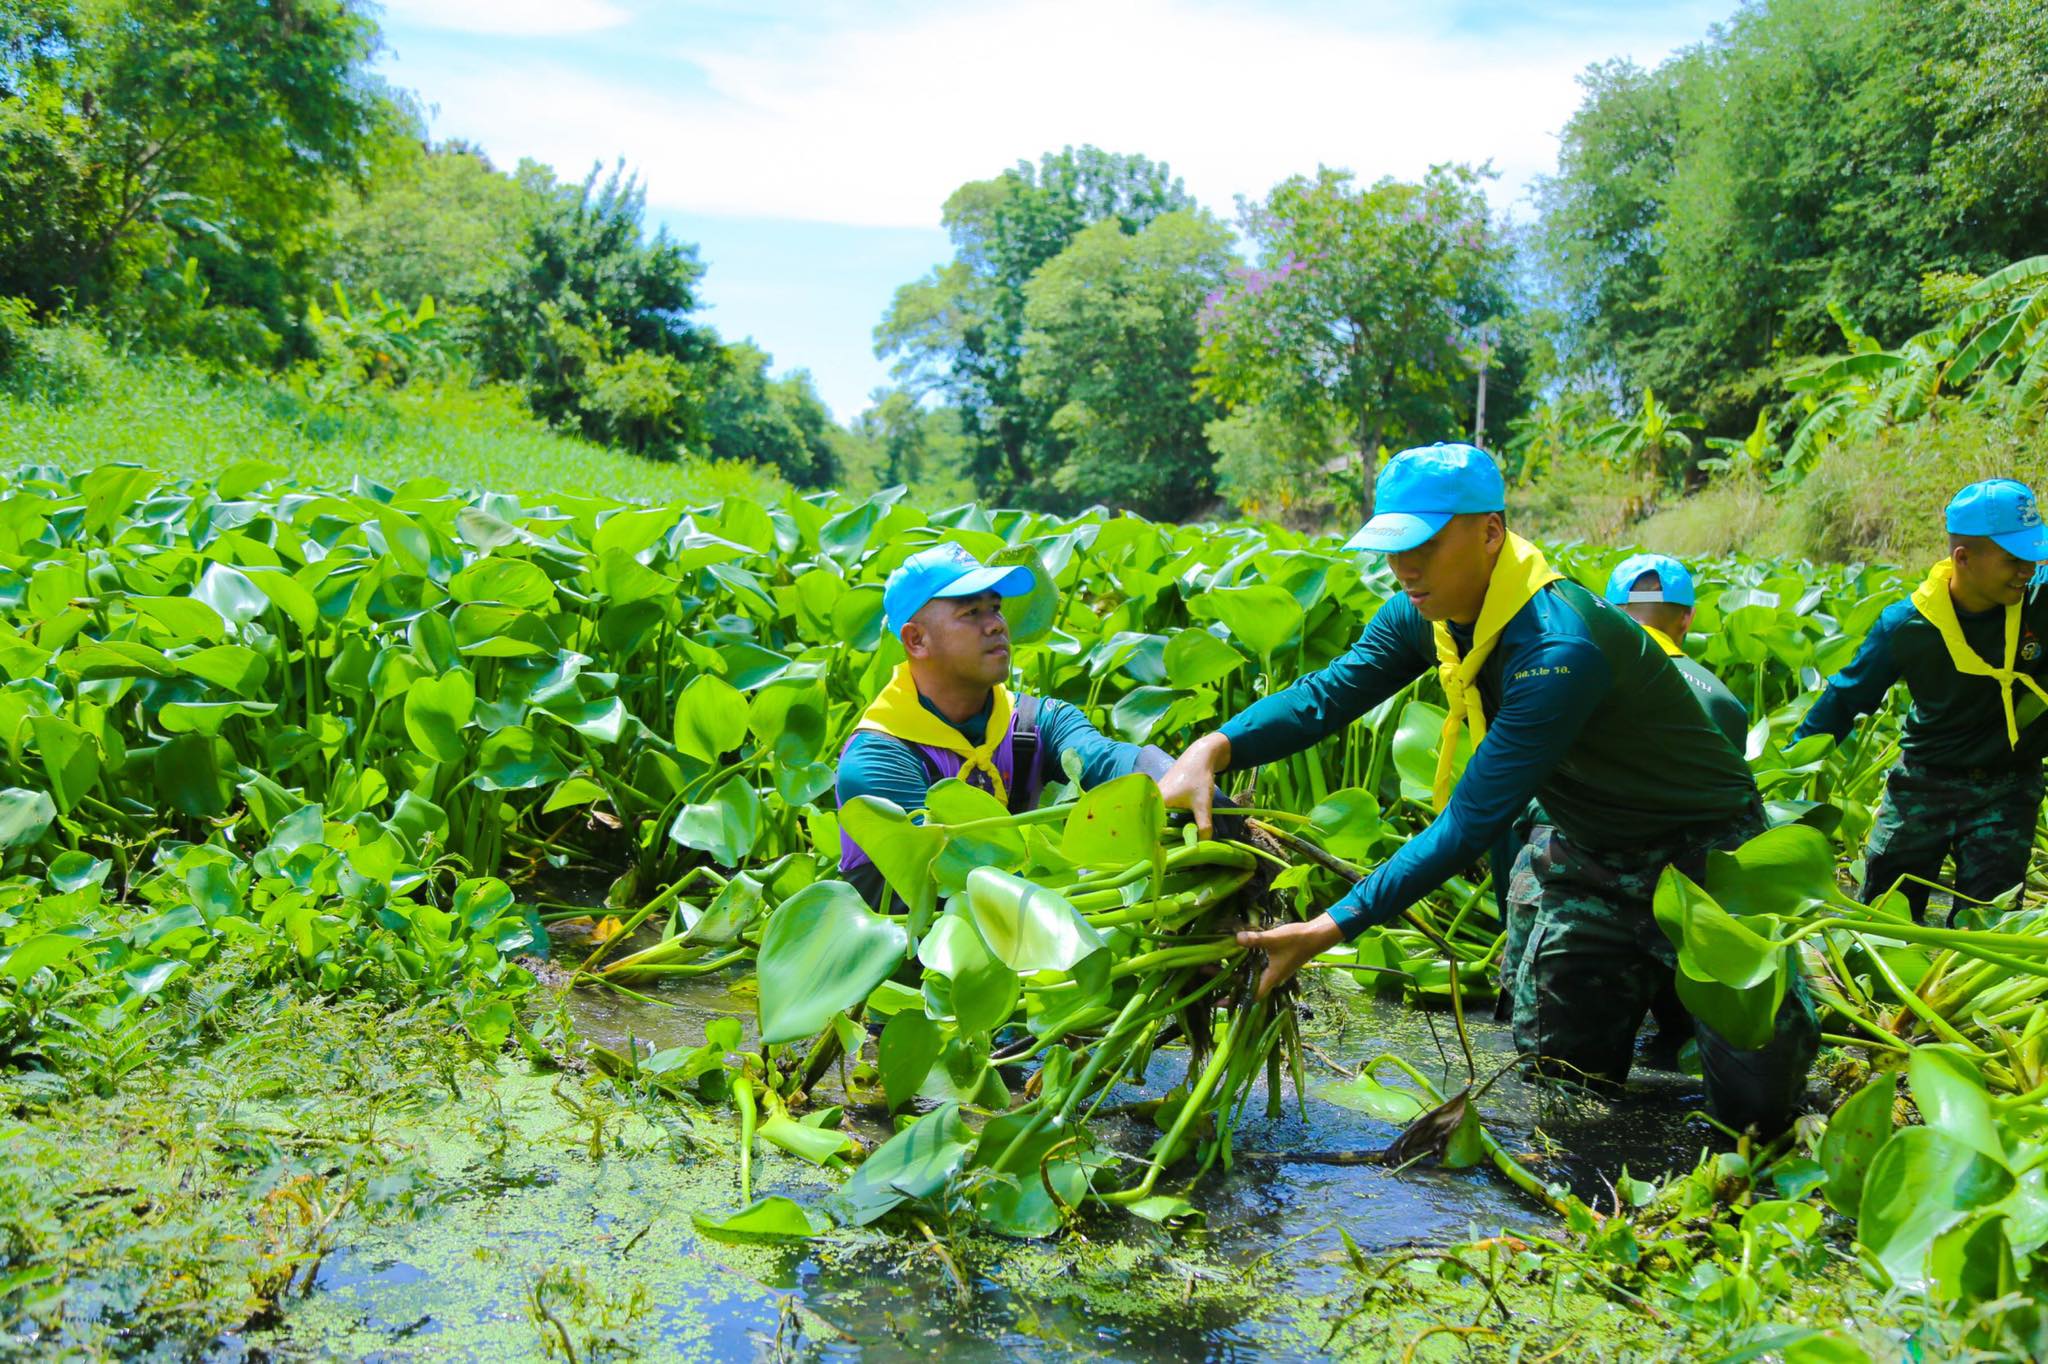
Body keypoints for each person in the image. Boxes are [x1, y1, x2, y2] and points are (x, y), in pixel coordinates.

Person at [1159, 443, 1817, 1134]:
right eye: (1392, 547)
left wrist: (1328, 928)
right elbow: (1330, 693)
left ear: (1490, 532)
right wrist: (1214, 747)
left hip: (1707, 856)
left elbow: (1468, 825)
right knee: (1564, 1091)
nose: (1404, 568)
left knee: (1757, 1113)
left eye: (1425, 545)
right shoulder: (1423, 611)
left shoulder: (1557, 648)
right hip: (1588, 852)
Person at [1495, 553, 1748, 1042]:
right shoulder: (1720, 699)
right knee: (1685, 1044)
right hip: (1681, 890)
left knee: (1537, 1059)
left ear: (1605, 613)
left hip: (1558, 874)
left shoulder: (1560, 672)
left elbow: (1513, 804)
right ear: (1688, 617)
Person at [835, 543, 1171, 908]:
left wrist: (1170, 776)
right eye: (971, 613)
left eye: (995, 608)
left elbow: (1104, 758)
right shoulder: (876, 760)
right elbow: (958, 879)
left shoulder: (1034, 720)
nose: (996, 624)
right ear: (917, 640)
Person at [1792, 478, 2048, 923]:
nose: (2027, 568)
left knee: (1987, 923)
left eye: (2033, 553)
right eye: (2013, 559)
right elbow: (1845, 698)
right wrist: (1788, 768)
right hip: (1924, 782)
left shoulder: (2040, 600)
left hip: (2009, 786)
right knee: (1883, 916)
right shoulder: (1907, 626)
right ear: (1962, 558)